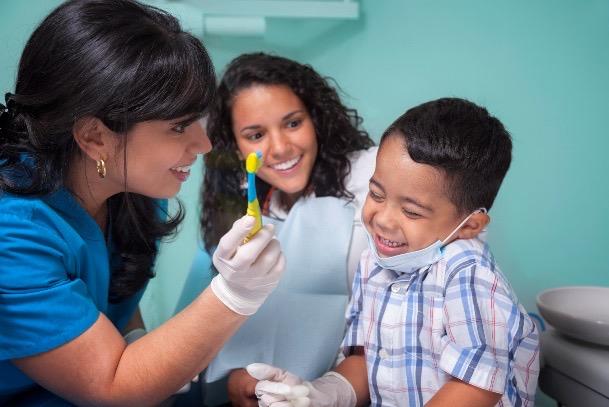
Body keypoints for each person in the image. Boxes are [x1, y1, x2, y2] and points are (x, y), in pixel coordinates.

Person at [0, 1, 285, 406]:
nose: (203, 144)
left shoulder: (132, 192)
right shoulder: (12, 235)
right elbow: (113, 388)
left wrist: (140, 342)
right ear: (95, 137)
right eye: (179, 127)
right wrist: (234, 295)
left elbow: (110, 295)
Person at [249, 98, 540, 407]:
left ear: (470, 225)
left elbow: (475, 388)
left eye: (412, 212)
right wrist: (322, 394)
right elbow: (366, 360)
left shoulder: (468, 275)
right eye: (376, 194)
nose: (383, 220)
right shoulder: (374, 261)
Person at [191, 52, 377, 405]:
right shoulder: (256, 207)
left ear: (316, 119)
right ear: (235, 147)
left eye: (292, 123)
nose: (279, 148)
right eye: (256, 134)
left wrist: (327, 394)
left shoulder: (373, 179)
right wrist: (240, 377)